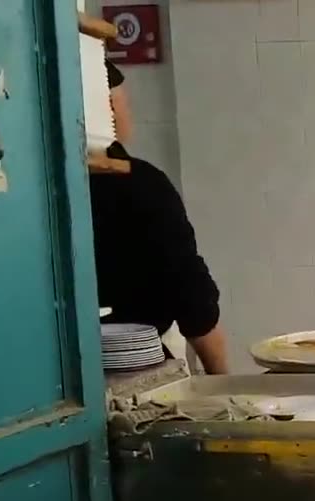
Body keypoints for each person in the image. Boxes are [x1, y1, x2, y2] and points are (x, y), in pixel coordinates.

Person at [90, 62, 229, 374]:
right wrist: (221, 381)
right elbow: (191, 294)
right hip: (132, 368)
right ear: (108, 112)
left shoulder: (27, 190)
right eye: (123, 103)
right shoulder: (140, 184)